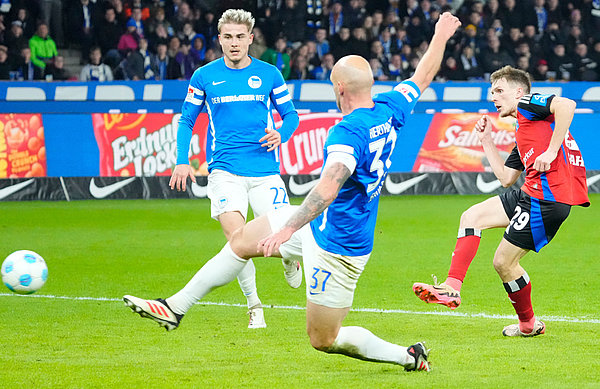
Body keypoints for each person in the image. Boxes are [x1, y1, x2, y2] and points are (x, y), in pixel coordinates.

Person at [123, 12, 462, 370]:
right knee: (239, 241)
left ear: (339, 89)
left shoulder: (347, 133)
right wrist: (440, 35)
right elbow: (422, 75)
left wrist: (286, 230)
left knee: (324, 339)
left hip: (340, 245)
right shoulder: (392, 107)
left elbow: (327, 189)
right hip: (319, 224)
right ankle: (175, 307)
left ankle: (407, 356)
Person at [130, 9, 300, 329]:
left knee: (281, 236)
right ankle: (255, 307)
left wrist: (282, 133)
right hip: (224, 171)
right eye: (228, 37)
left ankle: (290, 258)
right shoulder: (205, 76)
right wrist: (182, 160)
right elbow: (187, 121)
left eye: (240, 37)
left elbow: (291, 116)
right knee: (237, 239)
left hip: (264, 171)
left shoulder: (269, 74)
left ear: (250, 39)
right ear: (219, 40)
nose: (234, 43)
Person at [413, 65, 590, 337]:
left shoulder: (528, 103)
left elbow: (567, 104)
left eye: (499, 91)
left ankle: (528, 325)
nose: (494, 97)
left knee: (503, 263)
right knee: (472, 217)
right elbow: (507, 178)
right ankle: (452, 287)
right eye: (491, 92)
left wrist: (552, 152)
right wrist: (485, 141)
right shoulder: (524, 129)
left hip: (548, 199)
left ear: (518, 92)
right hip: (531, 193)